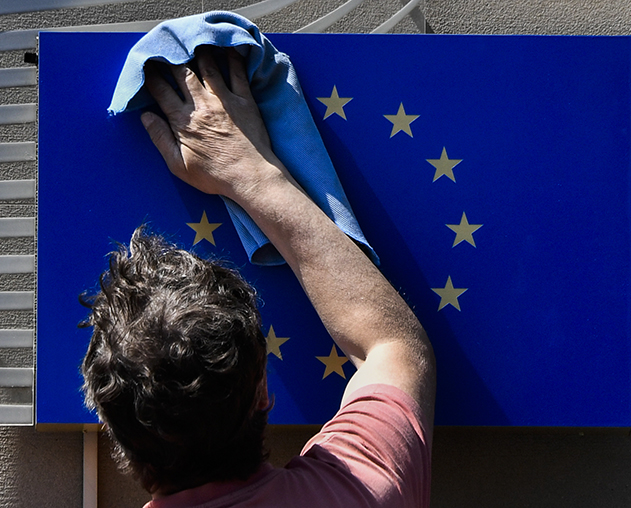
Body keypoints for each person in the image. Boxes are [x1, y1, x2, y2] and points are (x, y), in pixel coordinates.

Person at [81, 46, 436, 507]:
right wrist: (249, 172)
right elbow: (393, 346)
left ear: (111, 427)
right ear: (263, 392)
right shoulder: (362, 492)